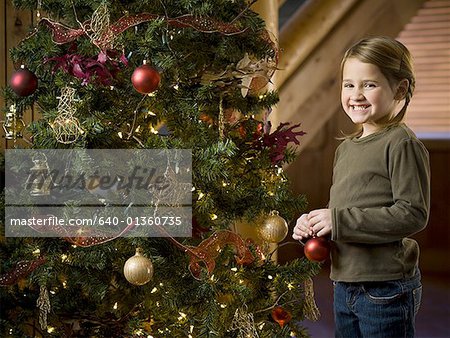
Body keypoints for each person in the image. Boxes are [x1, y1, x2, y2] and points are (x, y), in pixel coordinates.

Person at [292, 36, 430, 338]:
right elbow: (345, 209)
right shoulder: (347, 148)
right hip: (344, 282)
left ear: (400, 89)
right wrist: (317, 223)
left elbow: (412, 214)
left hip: (386, 287)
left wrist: (338, 221)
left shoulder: (401, 144)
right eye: (348, 84)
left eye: (369, 84)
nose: (356, 94)